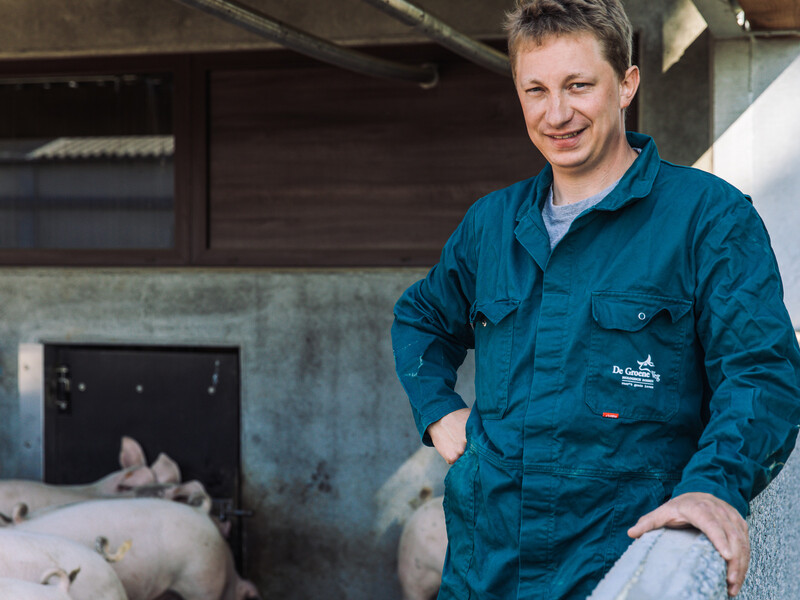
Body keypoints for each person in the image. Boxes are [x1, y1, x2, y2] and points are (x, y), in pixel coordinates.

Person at [390, 0, 800, 598]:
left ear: (627, 83)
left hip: (619, 569)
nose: (556, 113)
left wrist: (714, 486)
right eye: (536, 90)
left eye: (578, 85)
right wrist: (437, 409)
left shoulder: (707, 217)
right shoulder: (491, 224)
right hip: (483, 570)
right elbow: (421, 316)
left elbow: (759, 373)